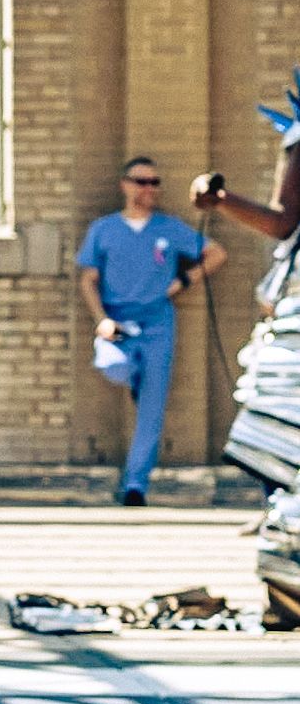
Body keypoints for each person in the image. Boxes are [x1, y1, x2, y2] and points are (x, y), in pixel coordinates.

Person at [78, 155, 225, 506]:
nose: (149, 189)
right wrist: (101, 318)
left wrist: (184, 281)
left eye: (155, 183)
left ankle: (135, 485)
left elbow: (216, 253)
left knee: (152, 409)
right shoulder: (104, 229)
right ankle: (135, 378)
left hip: (158, 322)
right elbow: (88, 279)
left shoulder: (168, 228)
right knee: (113, 366)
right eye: (142, 182)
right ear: (125, 185)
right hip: (117, 321)